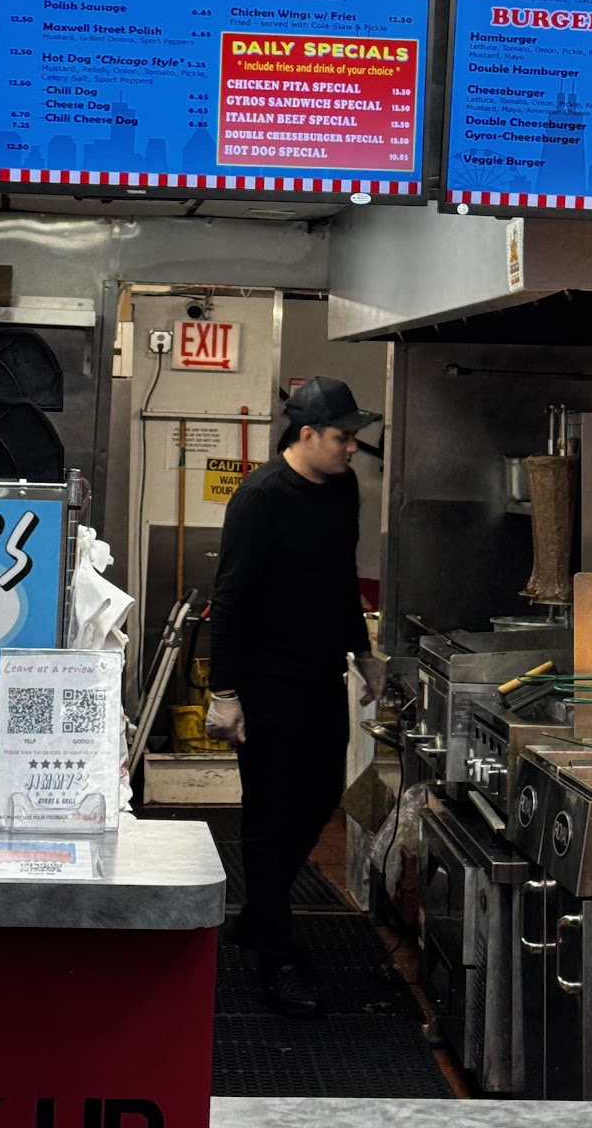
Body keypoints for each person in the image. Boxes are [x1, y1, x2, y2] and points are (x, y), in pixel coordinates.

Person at [204, 375, 386, 1017]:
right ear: (306, 434)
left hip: (319, 676)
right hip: (264, 683)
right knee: (269, 816)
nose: (353, 448)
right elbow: (229, 599)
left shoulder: (343, 489)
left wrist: (363, 653)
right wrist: (224, 692)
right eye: (343, 437)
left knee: (320, 799)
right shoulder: (261, 497)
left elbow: (340, 578)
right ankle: (277, 957)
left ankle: (258, 916)